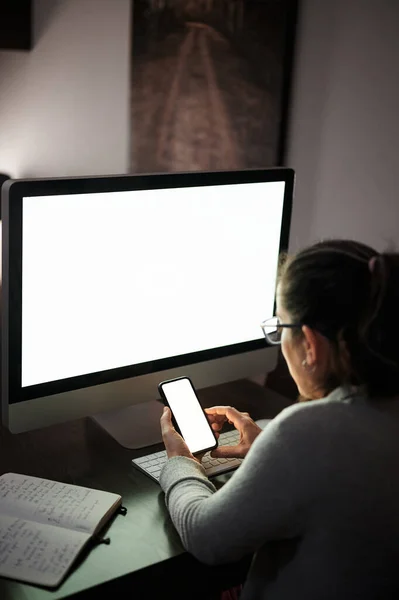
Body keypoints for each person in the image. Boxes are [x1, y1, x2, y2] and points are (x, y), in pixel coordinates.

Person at [159, 239, 399, 600]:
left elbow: (207, 538)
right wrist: (268, 448)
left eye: (279, 327)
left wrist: (180, 464)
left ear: (310, 344)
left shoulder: (310, 432)